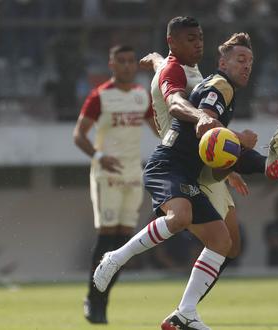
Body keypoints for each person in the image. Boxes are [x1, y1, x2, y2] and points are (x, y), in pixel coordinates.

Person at [94, 29, 278, 330]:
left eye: (250, 61)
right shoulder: (220, 86)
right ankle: (115, 258)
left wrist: (266, 164)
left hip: (190, 174)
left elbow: (220, 152)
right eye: (240, 59)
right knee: (180, 215)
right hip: (167, 165)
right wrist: (240, 140)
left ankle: (184, 314)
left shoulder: (220, 88)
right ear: (223, 63)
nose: (247, 66)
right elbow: (208, 131)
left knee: (222, 241)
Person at [72, 45, 158, 324]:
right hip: (107, 174)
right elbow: (79, 135)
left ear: (135, 65)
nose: (126, 66)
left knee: (123, 242)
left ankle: (101, 299)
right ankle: (94, 299)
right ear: (111, 64)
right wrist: (99, 156)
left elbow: (159, 129)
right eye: (121, 61)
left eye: (131, 61)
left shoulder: (140, 96)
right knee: (106, 236)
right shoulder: (100, 97)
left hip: (133, 175)